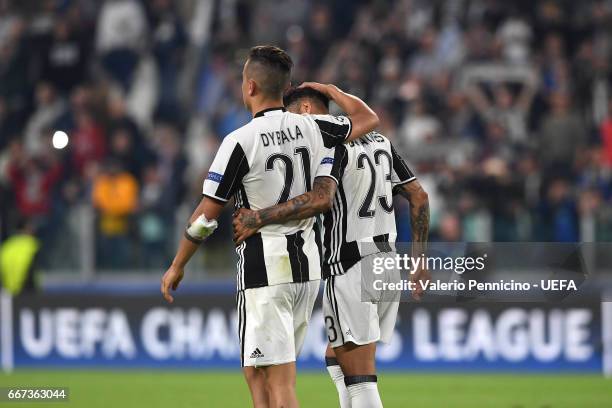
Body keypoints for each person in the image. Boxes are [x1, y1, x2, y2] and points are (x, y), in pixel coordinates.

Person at [160, 45, 379, 408]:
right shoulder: (315, 126)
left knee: (278, 382)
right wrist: (331, 91)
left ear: (249, 87)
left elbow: (205, 217)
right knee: (257, 372)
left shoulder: (239, 141)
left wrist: (178, 264)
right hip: (307, 270)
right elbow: (367, 118)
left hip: (265, 271)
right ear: (285, 86)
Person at [232, 86, 430, 408]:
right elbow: (419, 196)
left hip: (350, 264)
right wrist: (419, 261)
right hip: (387, 263)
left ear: (307, 108)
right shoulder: (381, 143)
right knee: (336, 355)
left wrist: (260, 217)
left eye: (291, 116)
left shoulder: (331, 144)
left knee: (361, 377)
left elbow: (321, 200)